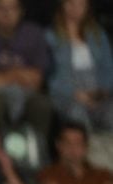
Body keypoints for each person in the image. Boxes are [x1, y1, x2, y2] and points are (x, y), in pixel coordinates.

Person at [0, 0, 53, 138]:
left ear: (21, 11)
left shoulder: (34, 33)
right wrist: (16, 75)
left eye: (12, 9)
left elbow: (37, 81)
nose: (7, 14)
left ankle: (37, 151)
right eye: (1, 9)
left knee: (41, 104)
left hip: (25, 94)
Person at [45, 0, 113, 132]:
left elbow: (108, 68)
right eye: (71, 4)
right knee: (77, 115)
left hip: (97, 93)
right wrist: (75, 94)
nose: (75, 9)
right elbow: (49, 76)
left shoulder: (98, 34)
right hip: (67, 95)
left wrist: (102, 92)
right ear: (62, 5)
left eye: (81, 5)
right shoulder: (50, 36)